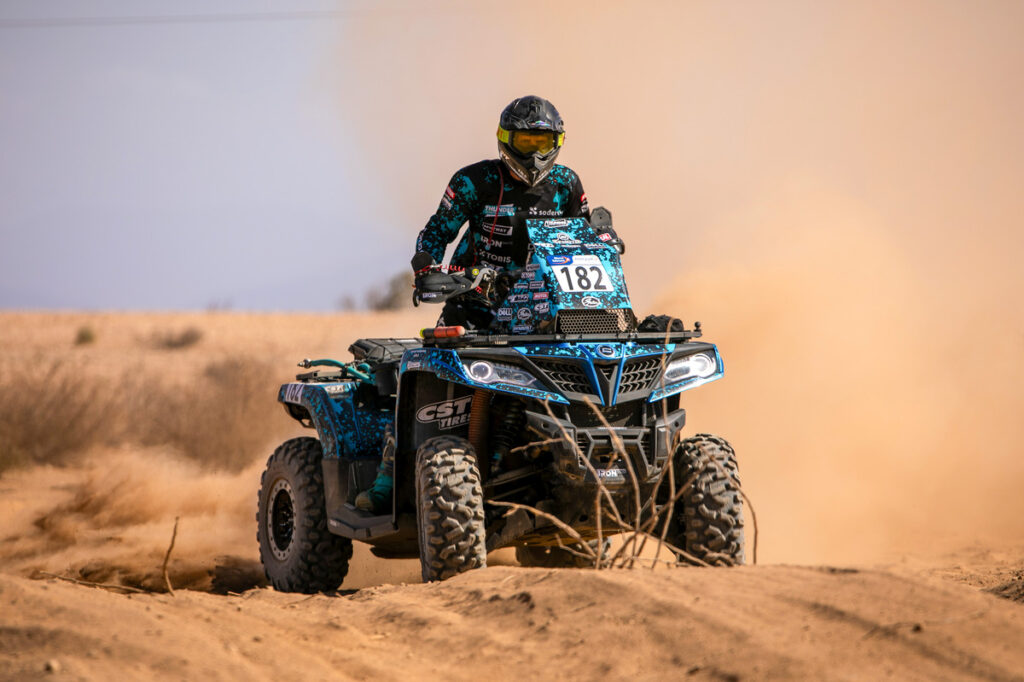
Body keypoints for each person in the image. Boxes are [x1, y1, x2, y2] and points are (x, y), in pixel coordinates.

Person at [356, 95, 619, 513]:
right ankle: (388, 479)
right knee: (427, 384)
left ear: (558, 142)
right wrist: (427, 268)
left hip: (541, 314)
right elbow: (435, 233)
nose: (534, 154)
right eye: (525, 142)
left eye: (543, 142)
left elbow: (585, 234)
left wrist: (606, 241)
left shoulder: (567, 183)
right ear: (504, 140)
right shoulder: (473, 181)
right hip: (474, 308)